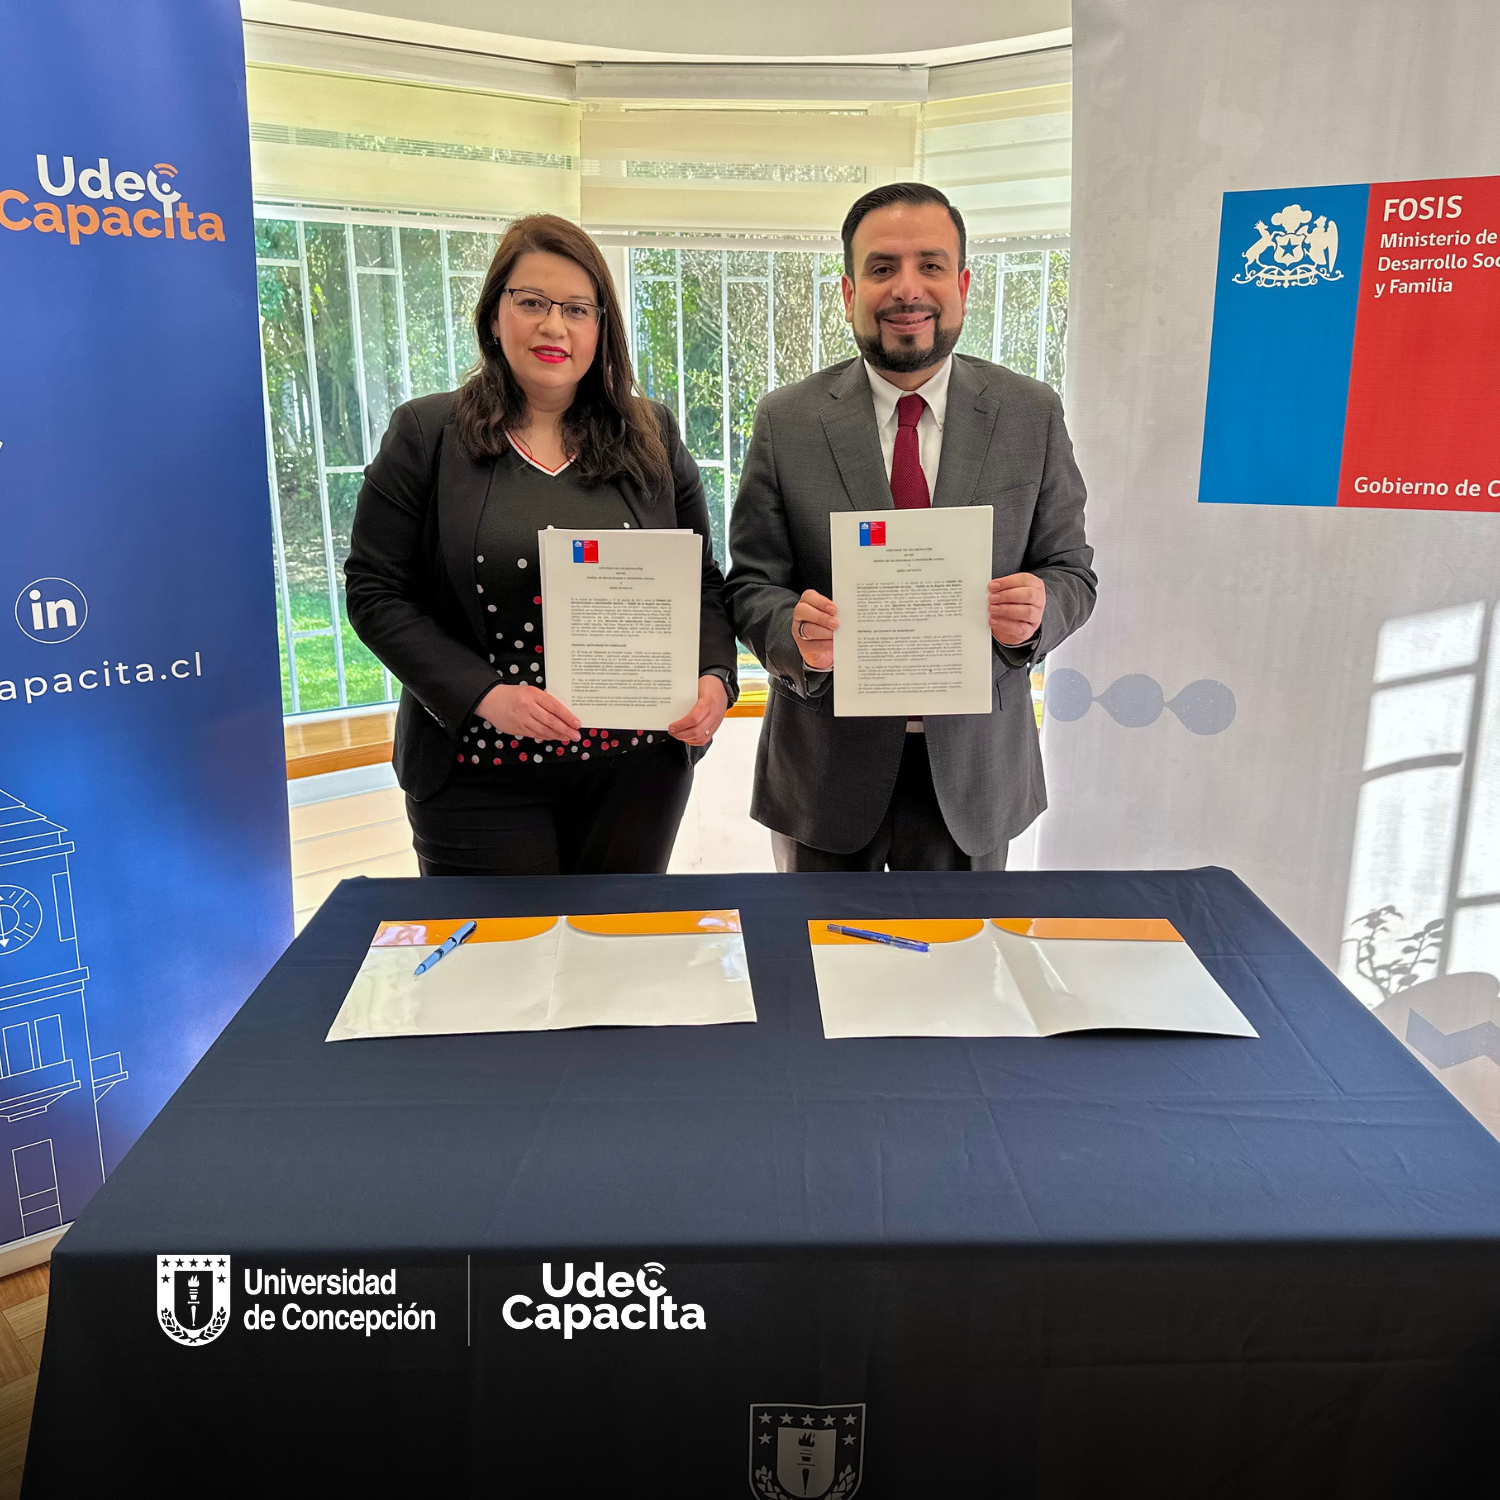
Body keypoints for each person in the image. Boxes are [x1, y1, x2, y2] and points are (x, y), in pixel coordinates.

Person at [346, 214, 737, 876]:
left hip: (638, 772)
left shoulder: (653, 435)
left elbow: (700, 581)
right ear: (494, 315)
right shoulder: (426, 434)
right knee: (503, 946)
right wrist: (487, 695)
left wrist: (715, 678)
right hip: (477, 764)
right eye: (532, 302)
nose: (554, 326)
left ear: (601, 327)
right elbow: (375, 593)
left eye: (577, 309)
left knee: (615, 942)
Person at [724, 182, 1096, 872]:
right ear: (848, 293)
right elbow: (750, 585)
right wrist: (792, 634)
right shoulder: (787, 421)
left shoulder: (1030, 413)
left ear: (963, 286)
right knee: (821, 946)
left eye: (930, 265)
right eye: (881, 267)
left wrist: (1041, 609)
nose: (906, 289)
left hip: (975, 773)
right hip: (824, 775)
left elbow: (1072, 571)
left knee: (963, 948)